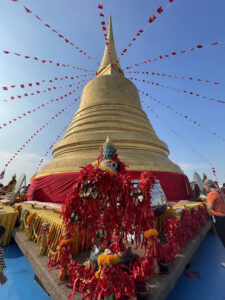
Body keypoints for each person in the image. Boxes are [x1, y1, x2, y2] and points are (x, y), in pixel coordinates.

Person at [203, 179, 225, 268]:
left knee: (223, 238)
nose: (205, 188)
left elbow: (210, 207)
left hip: (219, 218)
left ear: (207, 186)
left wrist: (206, 202)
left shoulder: (211, 194)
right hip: (223, 216)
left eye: (205, 187)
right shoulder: (219, 191)